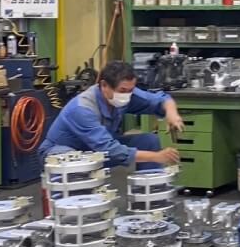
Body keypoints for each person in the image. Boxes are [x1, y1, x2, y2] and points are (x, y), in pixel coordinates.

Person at [38, 60, 185, 169]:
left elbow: (161, 99)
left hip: (96, 150)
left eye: (130, 90)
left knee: (149, 141)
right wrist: (157, 157)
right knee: (72, 161)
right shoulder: (82, 108)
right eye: (123, 91)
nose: (127, 95)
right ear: (104, 85)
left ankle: (150, 193)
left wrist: (172, 114)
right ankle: (72, 201)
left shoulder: (125, 94)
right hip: (63, 152)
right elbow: (109, 149)